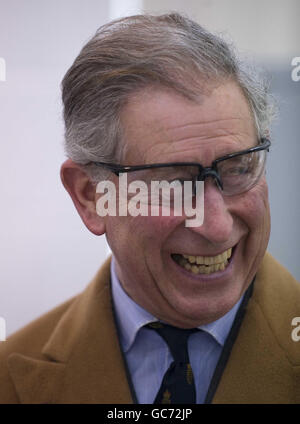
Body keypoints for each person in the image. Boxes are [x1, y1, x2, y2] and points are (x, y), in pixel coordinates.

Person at [0, 13, 299, 404]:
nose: (217, 226)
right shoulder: (11, 379)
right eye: (173, 184)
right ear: (91, 196)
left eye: (239, 168)